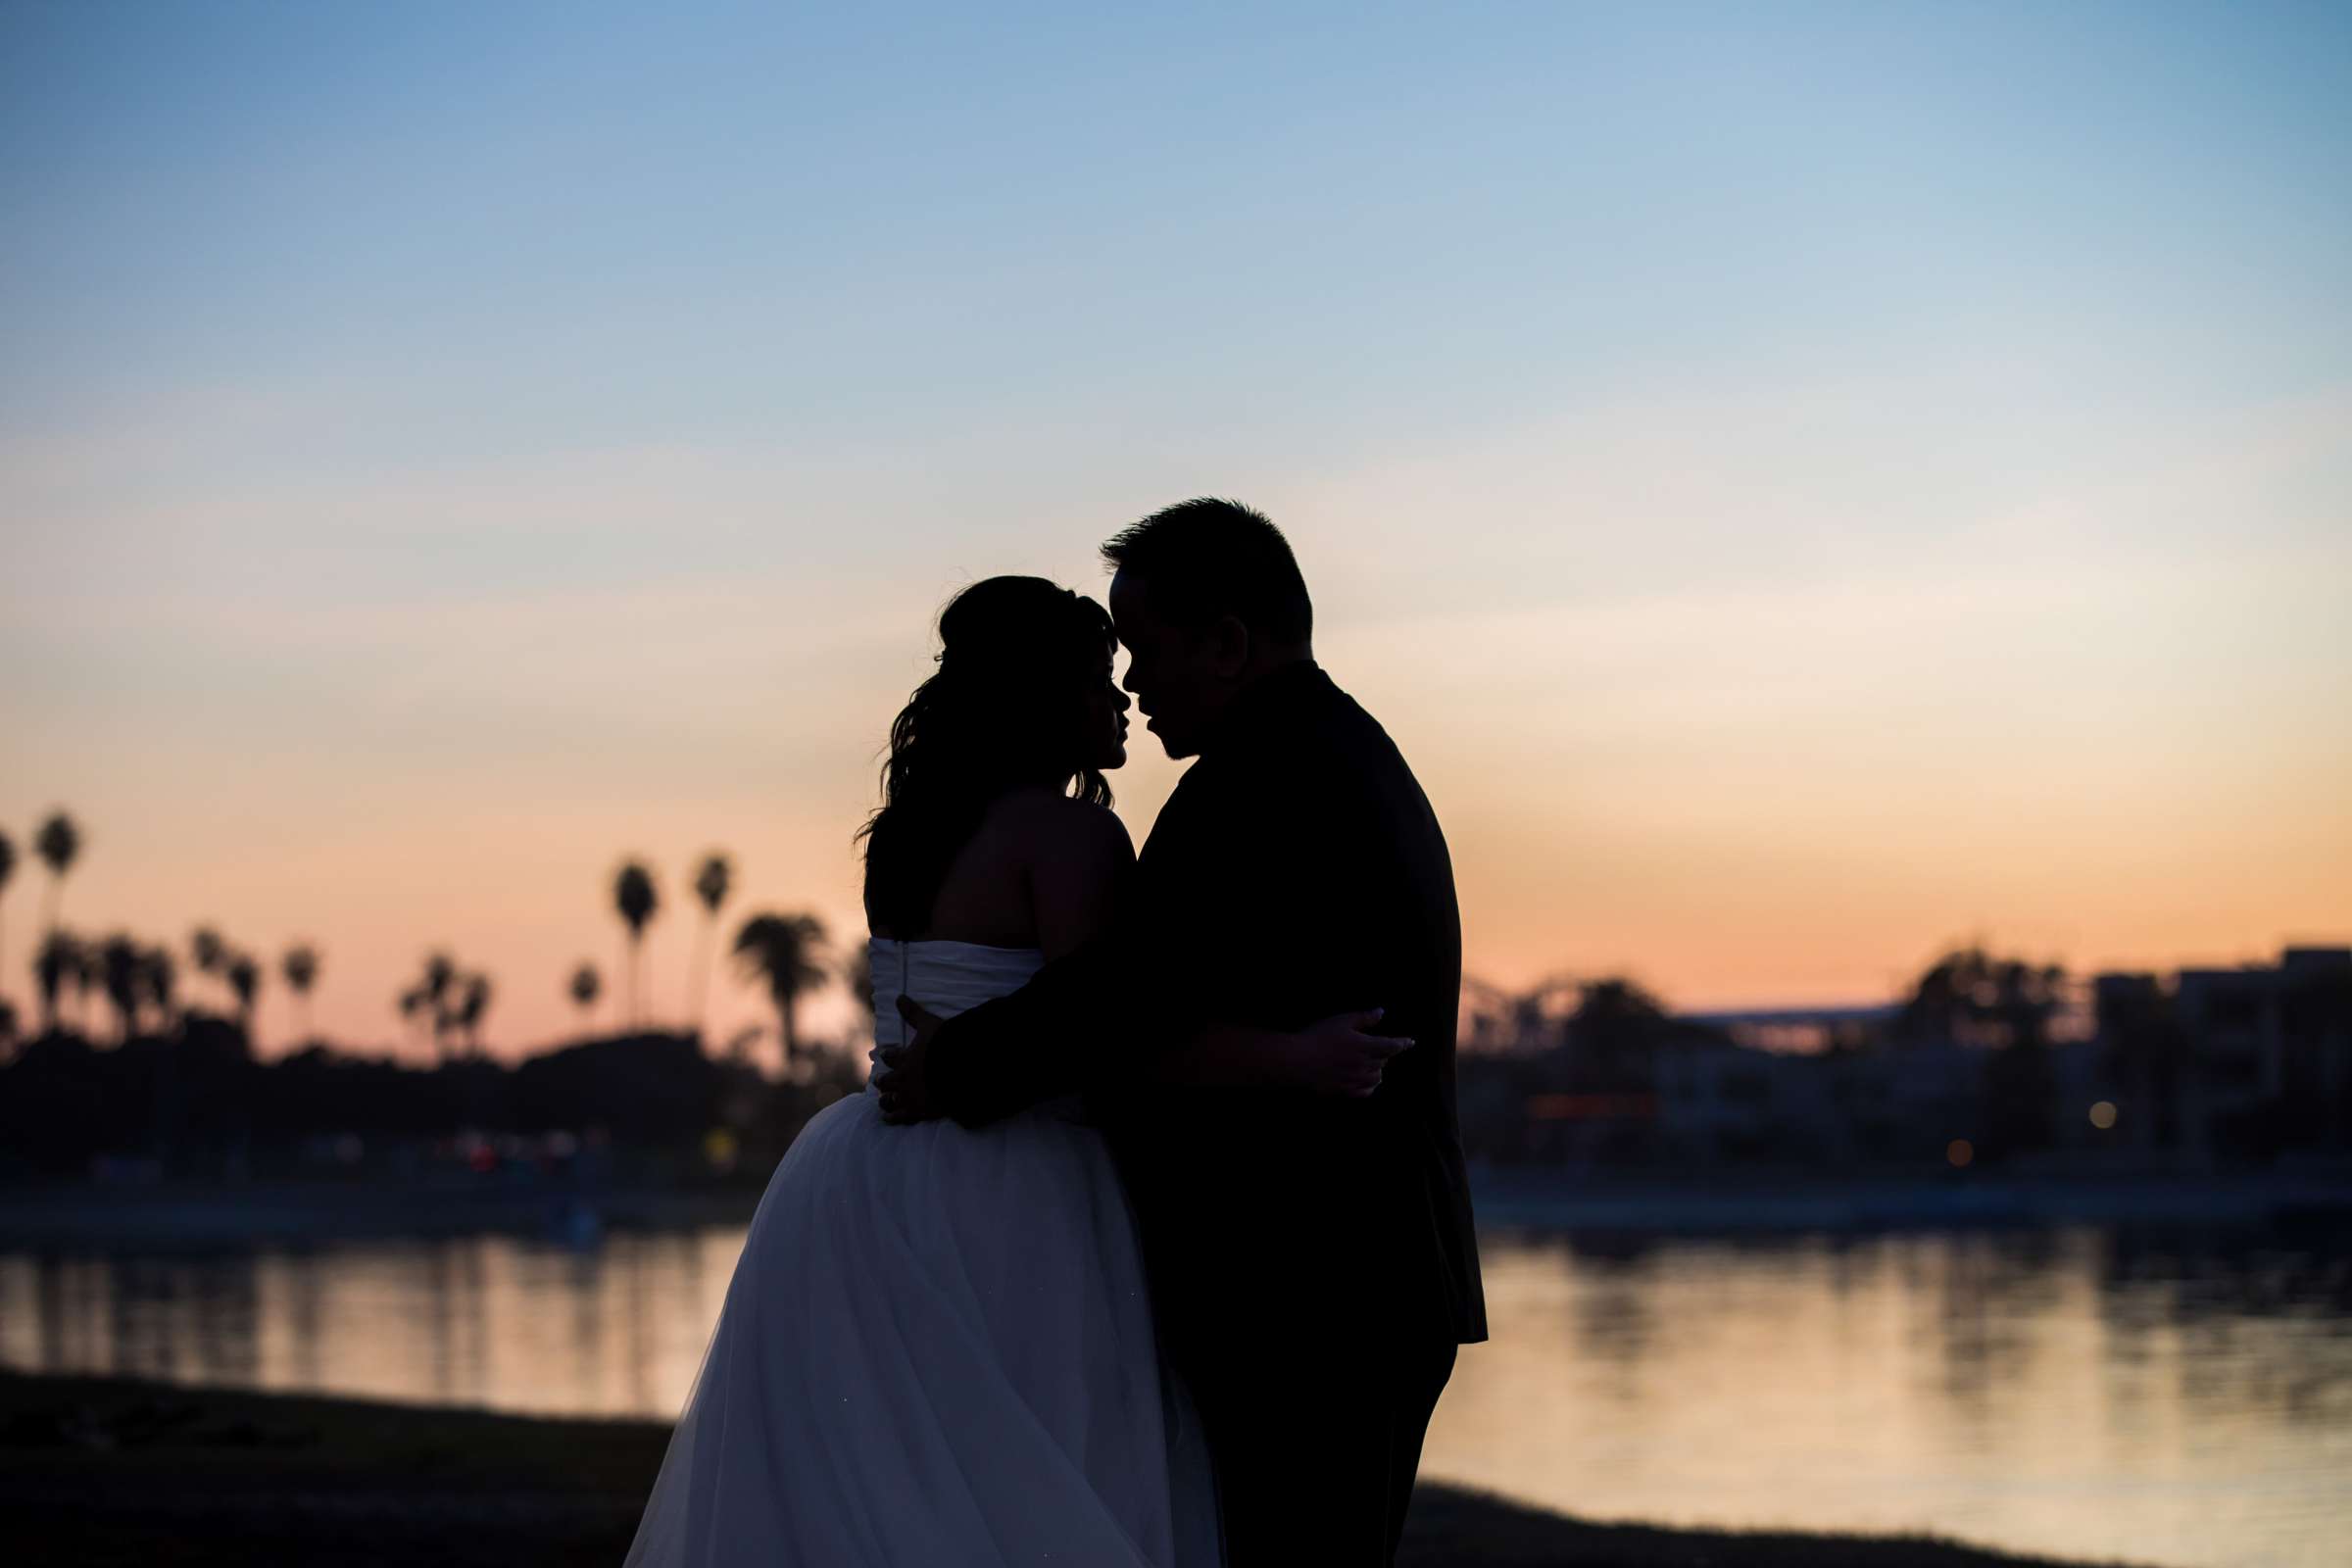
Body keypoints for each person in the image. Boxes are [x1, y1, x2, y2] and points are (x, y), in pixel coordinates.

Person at [623, 573, 1399, 1568]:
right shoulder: (1071, 837)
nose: (1119, 700)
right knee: (1036, 1463)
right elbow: (1106, 1029)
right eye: (1096, 681)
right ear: (1041, 699)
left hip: (866, 1177)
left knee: (898, 1472)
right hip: (1016, 1183)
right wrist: (1294, 1056)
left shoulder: (902, 840)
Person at [882, 501, 1488, 1567]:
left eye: (1148, 650)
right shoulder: (1318, 754)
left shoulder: (1264, 784)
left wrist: (954, 1064)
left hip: (1317, 1289)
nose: (1131, 684)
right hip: (1347, 1280)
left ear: (1228, 642)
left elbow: (1117, 994)